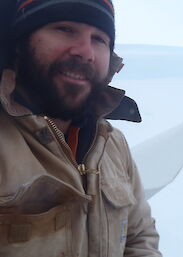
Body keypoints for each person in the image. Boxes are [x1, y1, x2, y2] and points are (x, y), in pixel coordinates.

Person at [0, 0, 162, 256]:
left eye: (99, 39)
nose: (86, 52)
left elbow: (139, 236)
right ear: (20, 42)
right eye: (64, 29)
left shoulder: (112, 143)